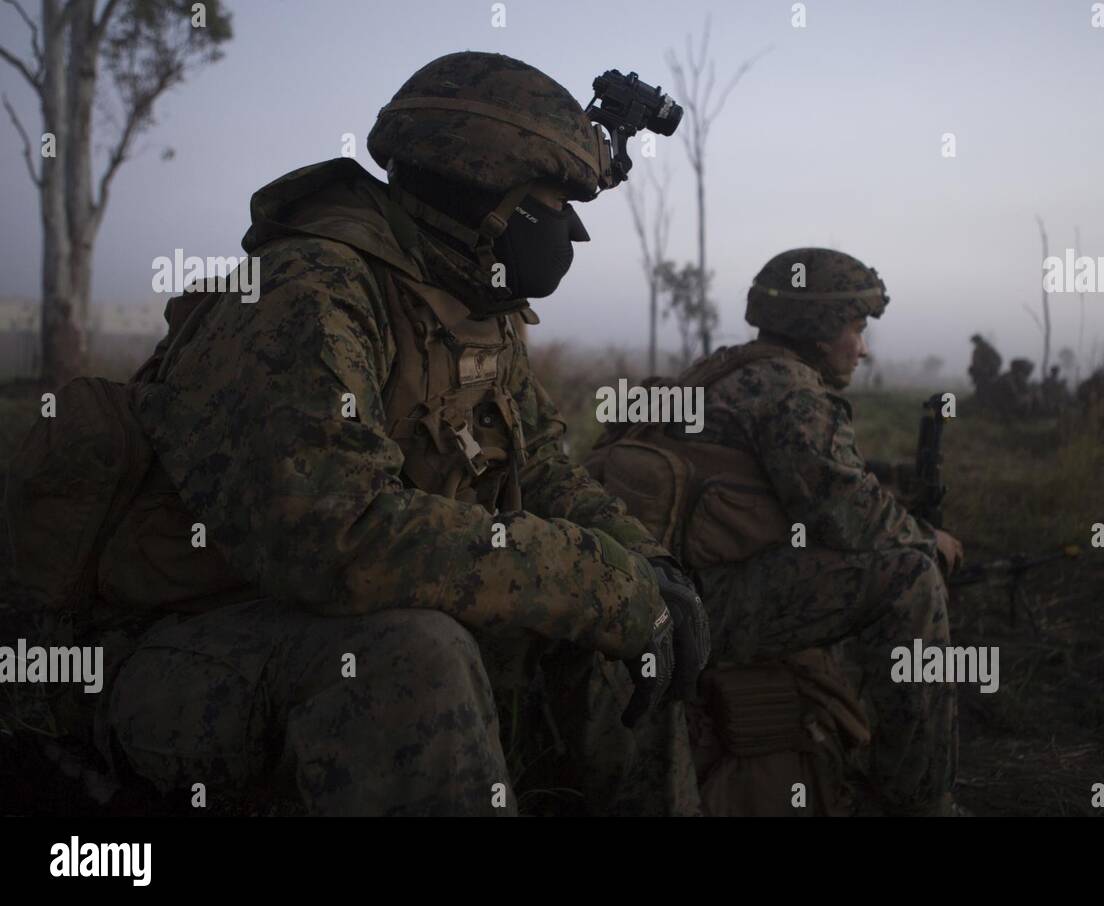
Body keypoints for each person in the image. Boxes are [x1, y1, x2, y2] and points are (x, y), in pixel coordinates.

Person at [62, 51, 709, 816]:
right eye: (553, 200)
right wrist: (600, 584)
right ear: (479, 190)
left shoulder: (473, 299)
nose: (570, 229)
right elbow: (335, 534)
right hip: (190, 645)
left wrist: (646, 568)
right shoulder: (309, 291)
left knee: (627, 637)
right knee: (412, 655)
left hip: (331, 620)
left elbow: (537, 464)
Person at [588, 248, 965, 816]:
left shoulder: (730, 367)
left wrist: (889, 485)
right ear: (819, 328)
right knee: (909, 575)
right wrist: (926, 538)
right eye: (856, 328)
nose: (862, 348)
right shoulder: (791, 390)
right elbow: (848, 517)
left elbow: (805, 478)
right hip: (701, 608)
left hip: (658, 590)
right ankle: (919, 801)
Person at [968, 334, 1002, 402]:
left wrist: (989, 369)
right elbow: (976, 363)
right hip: (981, 376)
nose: (974, 343)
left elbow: (998, 360)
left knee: (989, 392)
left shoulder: (987, 349)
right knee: (981, 392)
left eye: (975, 341)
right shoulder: (977, 350)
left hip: (989, 375)